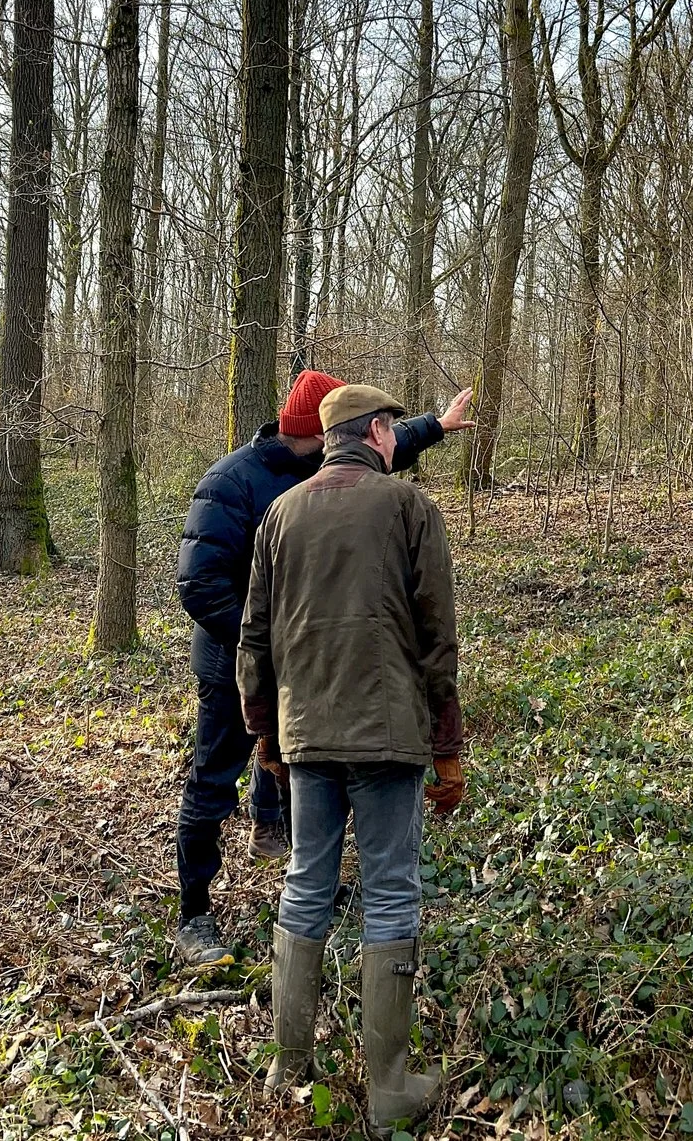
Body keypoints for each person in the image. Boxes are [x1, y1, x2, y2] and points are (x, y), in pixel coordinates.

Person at [169, 371, 472, 966]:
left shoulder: (325, 470)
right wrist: (282, 644)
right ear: (314, 434)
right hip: (237, 659)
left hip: (306, 667)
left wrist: (436, 425)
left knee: (296, 763)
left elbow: (384, 444)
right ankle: (194, 912)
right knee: (214, 779)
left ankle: (287, 849)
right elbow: (199, 586)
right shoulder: (231, 486)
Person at [240, 384, 468, 1124]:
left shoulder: (280, 513)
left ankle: (288, 1068)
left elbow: (255, 638)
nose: (398, 438)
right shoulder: (410, 509)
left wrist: (268, 734)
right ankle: (390, 1090)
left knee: (307, 883)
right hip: (387, 734)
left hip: (307, 736)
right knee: (392, 891)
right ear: (375, 432)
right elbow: (439, 642)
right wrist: (449, 748)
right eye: (394, 427)